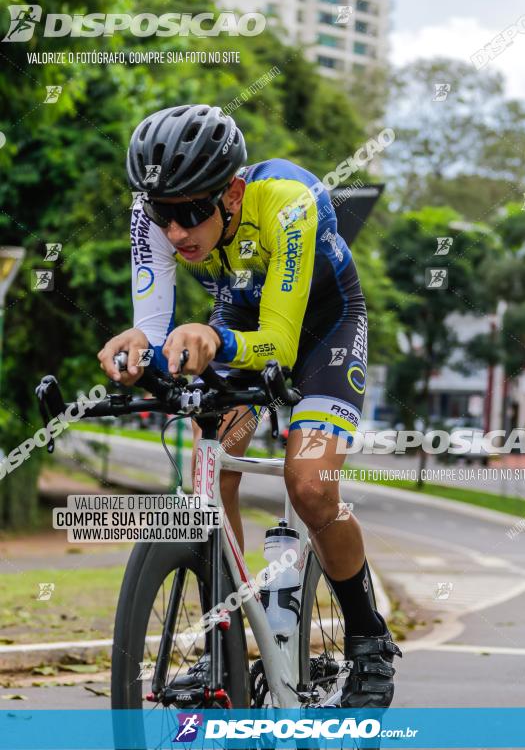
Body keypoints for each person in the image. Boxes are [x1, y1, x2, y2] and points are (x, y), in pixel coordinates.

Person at [98, 103, 401, 707]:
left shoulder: (288, 201)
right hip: (237, 320)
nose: (176, 231)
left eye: (190, 212)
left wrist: (212, 341)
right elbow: (155, 330)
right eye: (164, 214)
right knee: (208, 472)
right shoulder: (151, 215)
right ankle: (227, 646)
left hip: (322, 329)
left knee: (310, 486)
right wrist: (139, 352)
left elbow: (279, 345)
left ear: (232, 193)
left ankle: (369, 641)